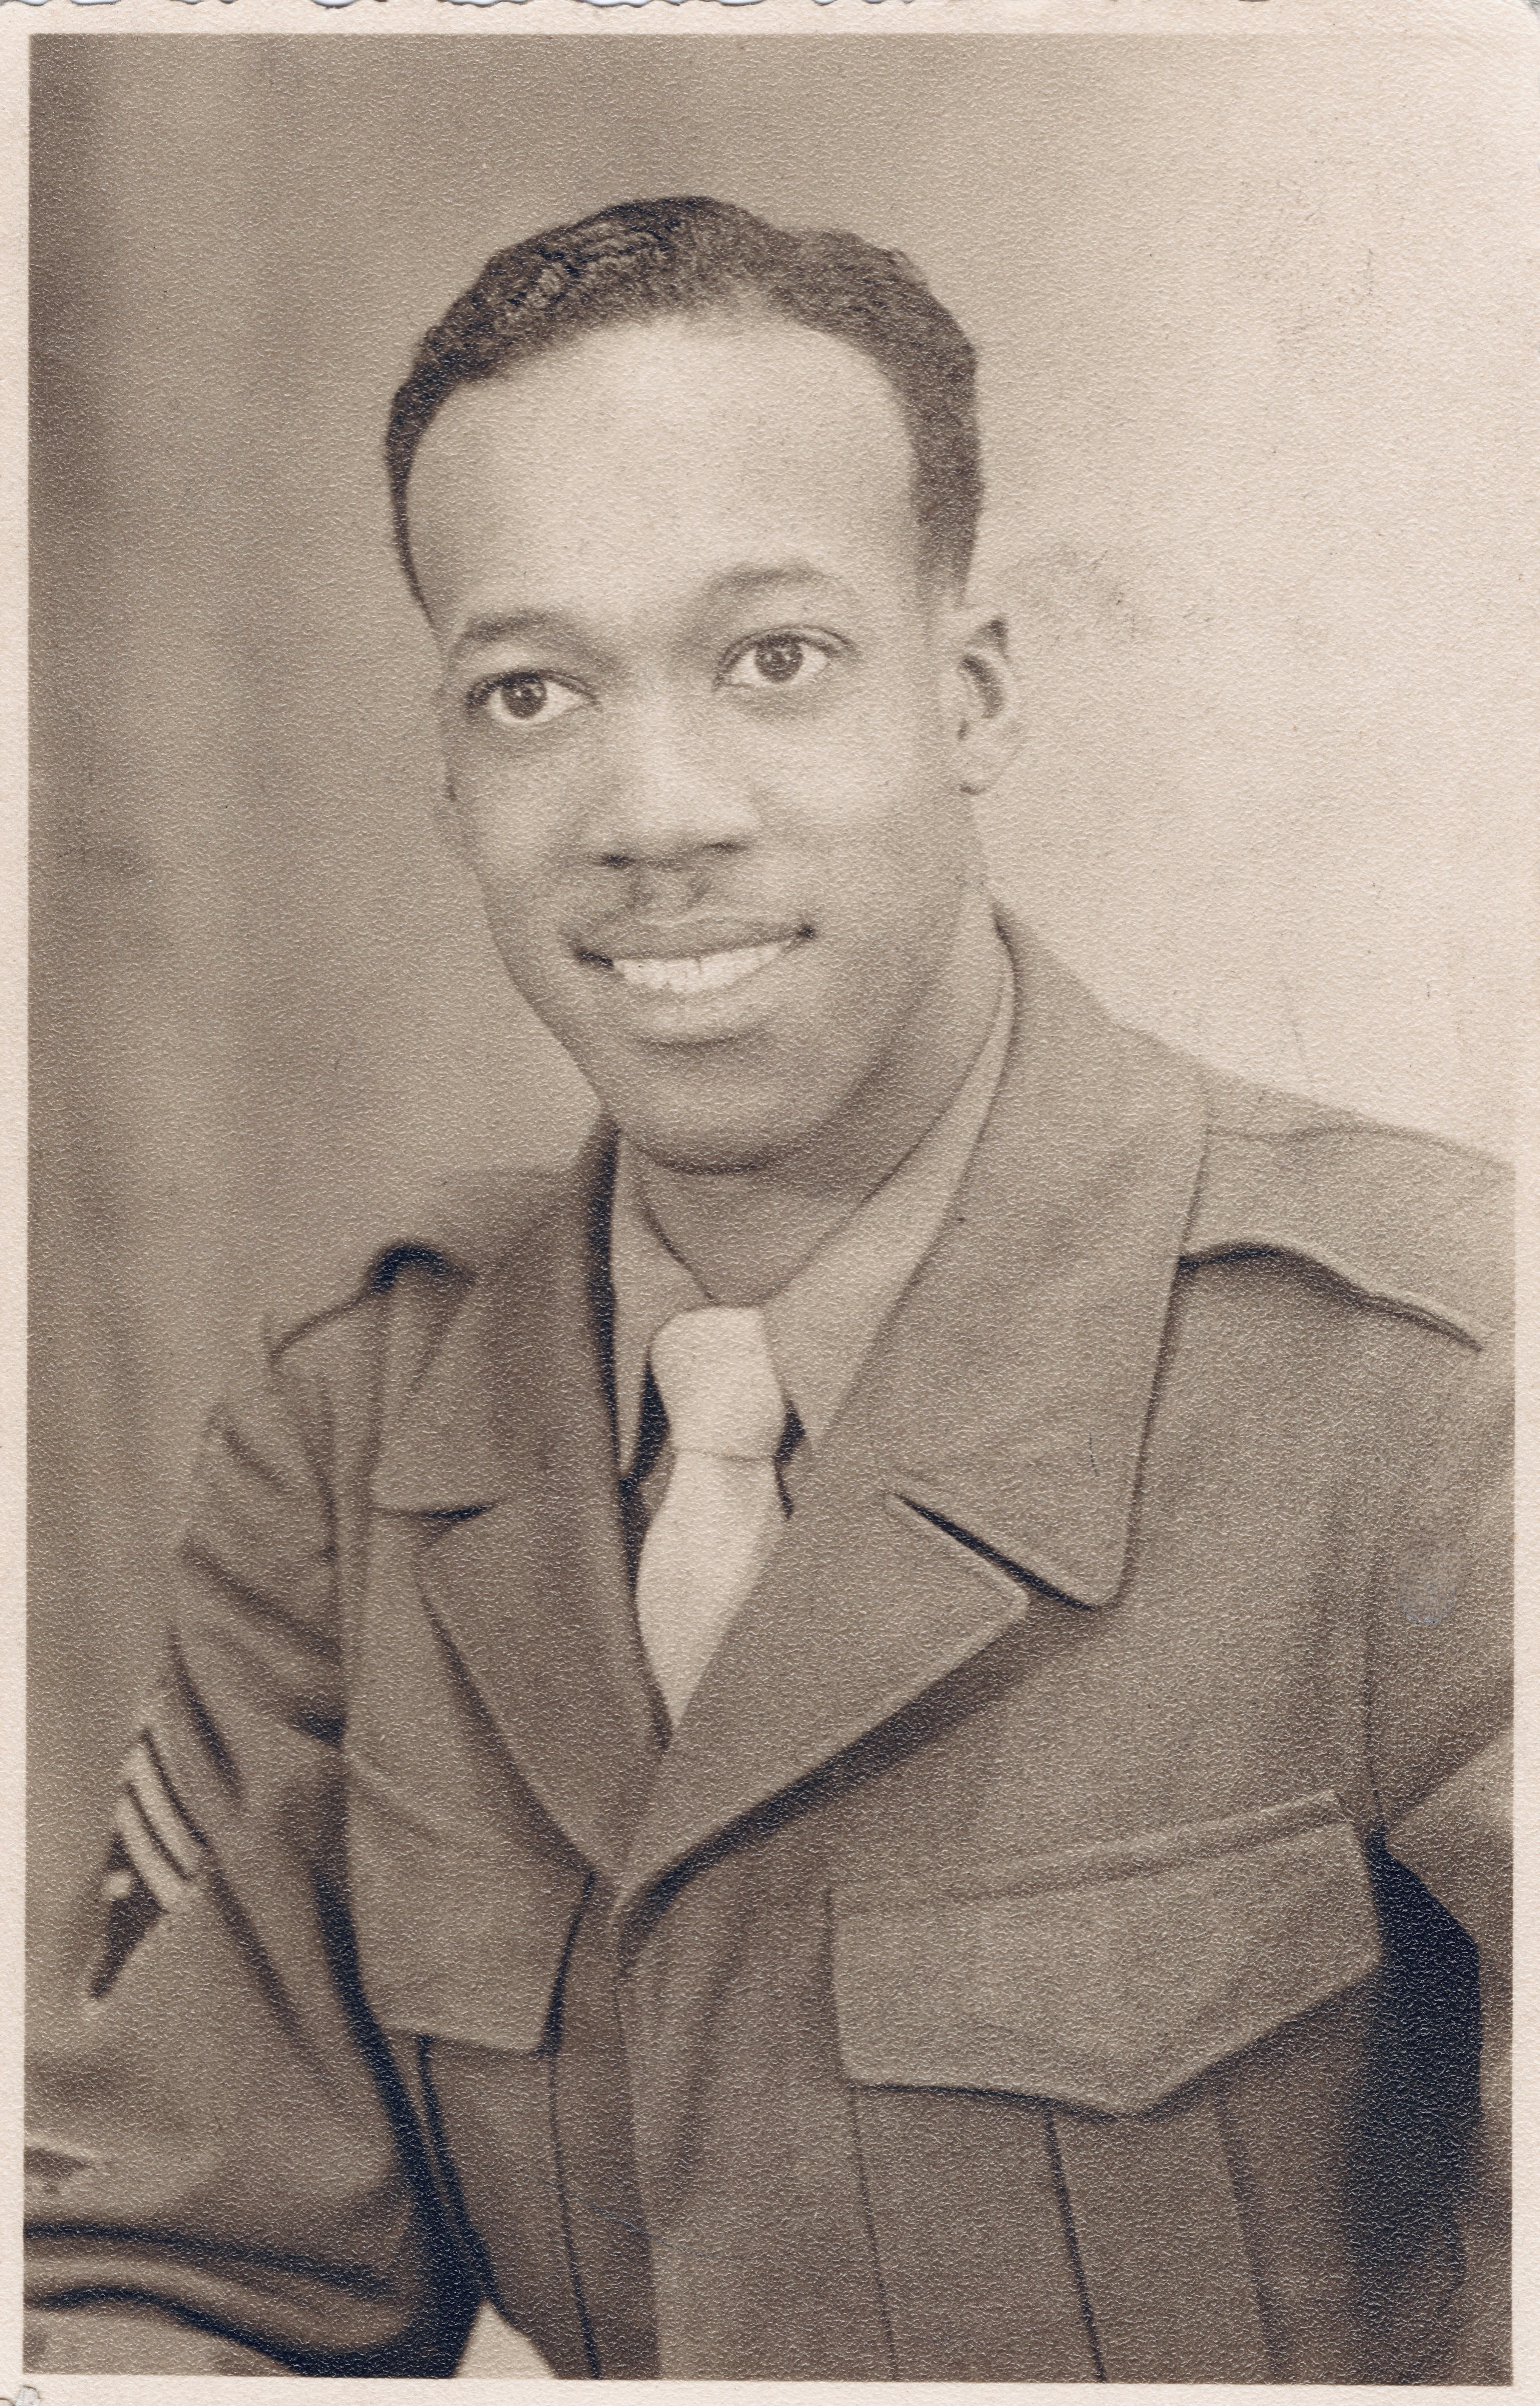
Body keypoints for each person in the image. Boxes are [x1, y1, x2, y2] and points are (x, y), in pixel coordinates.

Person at [25, 196, 1510, 2384]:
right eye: (531, 691)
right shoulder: (357, 1423)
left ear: (972, 689)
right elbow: (170, 2289)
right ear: (449, 774)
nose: (655, 810)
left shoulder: (1444, 1380)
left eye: (773, 660)